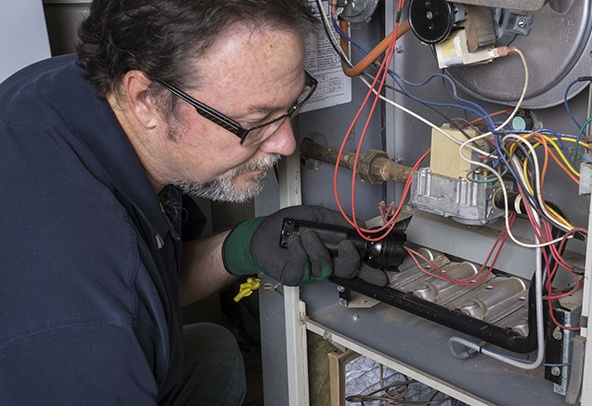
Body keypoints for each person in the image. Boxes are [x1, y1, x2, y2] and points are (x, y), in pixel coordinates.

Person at [0, 0, 382, 404]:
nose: (286, 143)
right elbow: (117, 294)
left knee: (212, 352)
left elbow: (154, 277)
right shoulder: (85, 319)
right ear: (147, 99)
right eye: (255, 122)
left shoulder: (75, 87)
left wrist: (244, 245)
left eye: (290, 106)